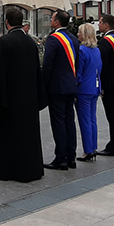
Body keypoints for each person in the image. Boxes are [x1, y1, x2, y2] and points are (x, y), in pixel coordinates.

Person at [0, 7, 46, 182]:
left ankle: (5, 169)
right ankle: (29, 168)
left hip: (8, 99)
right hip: (28, 99)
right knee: (27, 135)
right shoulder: (31, 43)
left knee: (7, 135)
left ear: (6, 22)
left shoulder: (4, 42)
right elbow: (37, 70)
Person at [41, 10, 80, 170]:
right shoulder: (73, 38)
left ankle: (61, 158)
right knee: (69, 121)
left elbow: (48, 64)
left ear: (57, 22)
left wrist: (43, 84)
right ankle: (71, 157)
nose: (50, 20)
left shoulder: (54, 39)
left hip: (57, 86)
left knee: (58, 122)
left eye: (52, 18)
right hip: (72, 85)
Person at [94, 14, 114, 156]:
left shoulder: (105, 41)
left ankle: (113, 146)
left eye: (100, 22)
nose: (98, 25)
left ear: (106, 25)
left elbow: (103, 65)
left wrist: (99, 83)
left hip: (109, 82)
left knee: (112, 114)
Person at [74, 23, 102, 162]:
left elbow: (78, 72)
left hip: (83, 88)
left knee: (84, 120)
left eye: (79, 32)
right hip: (95, 87)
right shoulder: (96, 50)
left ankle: (88, 150)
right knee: (92, 119)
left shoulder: (82, 50)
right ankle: (93, 147)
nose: (77, 35)